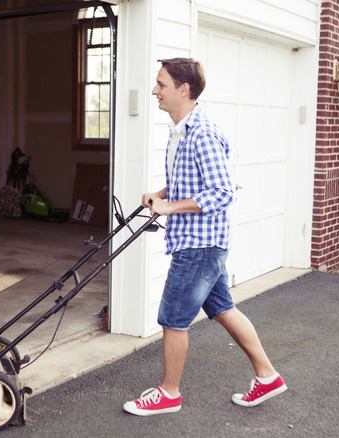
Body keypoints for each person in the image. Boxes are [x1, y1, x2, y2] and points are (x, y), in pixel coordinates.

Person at [123, 58, 286, 416]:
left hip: (199, 246)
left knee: (172, 319)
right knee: (223, 309)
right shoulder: (181, 130)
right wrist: (161, 195)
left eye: (161, 85)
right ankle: (268, 376)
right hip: (202, 244)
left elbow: (222, 191)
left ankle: (169, 394)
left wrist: (170, 208)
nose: (154, 91)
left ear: (184, 90)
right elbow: (190, 183)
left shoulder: (202, 133)